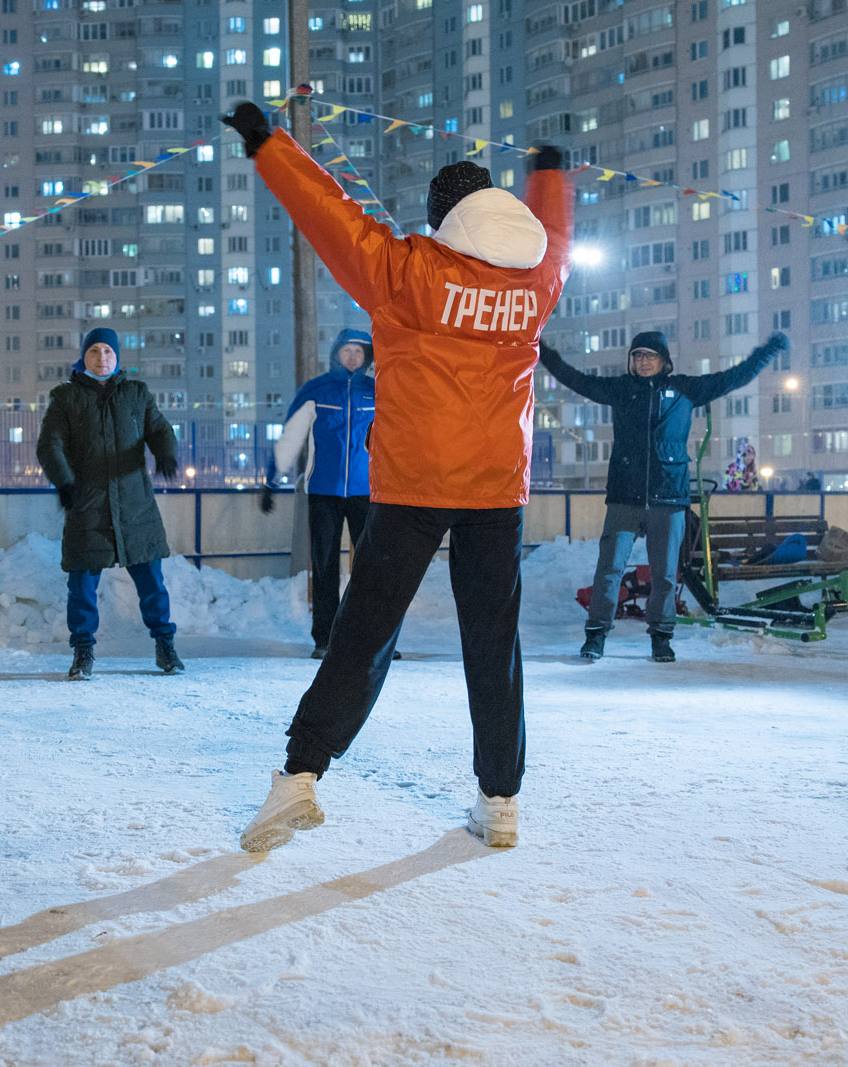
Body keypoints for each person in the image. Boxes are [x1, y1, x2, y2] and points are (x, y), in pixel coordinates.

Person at [220, 101, 572, 852]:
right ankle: (501, 800)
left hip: (412, 485)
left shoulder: (408, 271)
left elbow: (331, 216)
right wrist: (549, 171)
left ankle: (299, 776)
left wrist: (268, 144)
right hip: (495, 490)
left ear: (444, 219)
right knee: (493, 643)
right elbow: (560, 233)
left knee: (365, 632)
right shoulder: (540, 278)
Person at [538, 330, 787, 664]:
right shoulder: (621, 390)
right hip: (624, 497)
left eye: (650, 356)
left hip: (668, 498)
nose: (643, 361)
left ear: (664, 360)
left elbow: (733, 378)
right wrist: (541, 350)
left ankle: (661, 639)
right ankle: (596, 635)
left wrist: (766, 352)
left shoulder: (684, 389)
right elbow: (575, 379)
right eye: (637, 356)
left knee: (665, 575)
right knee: (609, 569)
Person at [36, 326, 183, 680]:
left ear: (117, 358)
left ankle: (165, 645)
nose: (102, 358)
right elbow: (49, 444)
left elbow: (160, 429)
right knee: (82, 586)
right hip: (88, 505)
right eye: (94, 351)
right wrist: (64, 481)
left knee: (151, 582)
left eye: (108, 352)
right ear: (84, 356)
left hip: (135, 505)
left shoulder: (136, 393)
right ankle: (82, 651)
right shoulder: (66, 398)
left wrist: (165, 453)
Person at [262, 328, 377, 658]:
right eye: (347, 350)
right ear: (335, 354)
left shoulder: (379, 391)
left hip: (366, 492)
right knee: (324, 566)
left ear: (367, 357)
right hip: (323, 491)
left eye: (359, 351)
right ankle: (325, 639)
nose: (352, 356)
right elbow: (291, 435)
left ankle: (370, 639)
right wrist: (272, 479)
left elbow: (400, 438)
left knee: (370, 568)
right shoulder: (317, 390)